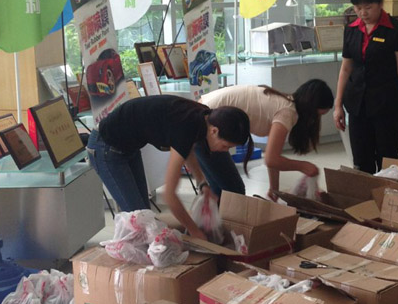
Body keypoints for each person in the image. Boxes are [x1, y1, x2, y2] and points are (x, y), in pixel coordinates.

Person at [86, 95, 252, 238]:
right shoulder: (187, 126)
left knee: (144, 216)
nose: (224, 151)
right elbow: (170, 196)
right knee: (140, 220)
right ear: (214, 131)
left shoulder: (204, 117)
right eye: (226, 146)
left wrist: (202, 183)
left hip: (128, 147)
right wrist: (195, 231)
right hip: (105, 147)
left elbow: (187, 150)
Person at [333, 0, 398, 173]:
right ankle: (365, 194)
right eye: (358, 8)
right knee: (361, 161)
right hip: (358, 106)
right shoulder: (351, 30)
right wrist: (338, 104)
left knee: (387, 160)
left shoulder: (397, 30)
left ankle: (388, 192)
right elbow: (346, 69)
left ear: (380, 4)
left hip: (388, 106)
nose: (363, 13)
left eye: (368, 7)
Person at [198, 79, 335, 199]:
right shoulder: (287, 112)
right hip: (205, 123)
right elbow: (271, 159)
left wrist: (274, 188)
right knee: (233, 190)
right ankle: (221, 219)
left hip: (204, 114)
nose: (315, 120)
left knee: (221, 188)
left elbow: (273, 154)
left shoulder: (285, 103)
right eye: (317, 115)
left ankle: (217, 219)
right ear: (309, 108)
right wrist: (304, 167)